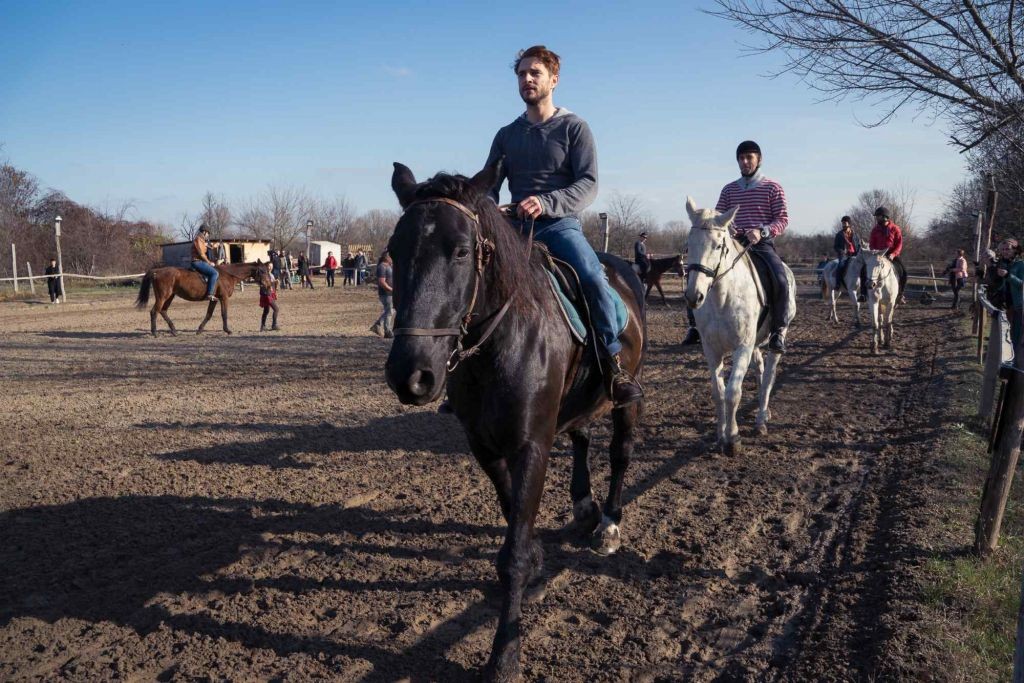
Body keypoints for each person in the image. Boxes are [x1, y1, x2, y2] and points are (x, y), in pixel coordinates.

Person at [484, 44, 643, 405]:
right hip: (514, 229)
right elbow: (489, 185)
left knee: (591, 276)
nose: (526, 79)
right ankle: (463, 371)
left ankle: (612, 362)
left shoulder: (574, 128)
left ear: (553, 79)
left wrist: (546, 202)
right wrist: (492, 208)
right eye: (521, 74)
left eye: (534, 73)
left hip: (559, 226)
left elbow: (588, 184)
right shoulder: (506, 135)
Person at [707, 140, 791, 352]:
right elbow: (719, 217)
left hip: (761, 244)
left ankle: (778, 330)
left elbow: (782, 219)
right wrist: (729, 228)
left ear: (759, 159)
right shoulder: (728, 190)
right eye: (741, 158)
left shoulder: (773, 187)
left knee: (781, 280)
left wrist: (762, 231)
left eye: (749, 157)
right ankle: (696, 326)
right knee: (702, 273)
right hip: (732, 243)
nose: (745, 162)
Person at [868, 206, 907, 303]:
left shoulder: (895, 228)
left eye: (878, 216)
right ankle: (863, 293)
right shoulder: (875, 230)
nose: (877, 218)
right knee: (865, 270)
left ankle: (900, 294)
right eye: (876, 216)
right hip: (878, 254)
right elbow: (871, 243)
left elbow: (899, 244)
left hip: (891, 255)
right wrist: (874, 251)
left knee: (904, 272)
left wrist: (893, 254)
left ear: (885, 217)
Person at [990, 239, 1024, 345]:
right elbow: (1005, 284)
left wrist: (1008, 275)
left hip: (1019, 304)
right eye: (1003, 249)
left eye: (1008, 249)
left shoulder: (1021, 264)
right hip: (1008, 304)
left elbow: (1022, 285)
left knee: (1017, 335)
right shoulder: (1005, 263)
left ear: (1015, 250)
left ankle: (1016, 355)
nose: (1005, 251)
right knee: (1009, 334)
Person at [833, 215, 867, 301]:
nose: (843, 225)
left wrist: (860, 251)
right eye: (843, 223)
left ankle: (864, 289)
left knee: (864, 266)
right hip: (844, 255)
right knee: (840, 265)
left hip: (854, 255)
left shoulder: (855, 235)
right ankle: (838, 284)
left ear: (849, 224)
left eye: (845, 223)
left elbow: (858, 246)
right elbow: (836, 247)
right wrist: (842, 251)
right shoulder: (839, 235)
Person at [190, 225, 219, 302]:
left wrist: (213, 246)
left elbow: (207, 247)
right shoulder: (198, 239)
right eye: (208, 233)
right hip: (197, 262)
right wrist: (209, 262)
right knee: (215, 273)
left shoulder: (202, 240)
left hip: (200, 261)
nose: (208, 235)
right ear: (204, 232)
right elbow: (201, 254)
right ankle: (210, 294)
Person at [370, 251, 394, 338]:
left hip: (390, 293)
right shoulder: (382, 267)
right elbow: (381, 282)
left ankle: (378, 325)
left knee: (390, 311)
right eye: (391, 257)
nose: (392, 259)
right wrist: (391, 289)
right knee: (389, 311)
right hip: (386, 293)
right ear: (386, 257)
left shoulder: (388, 266)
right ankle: (387, 331)